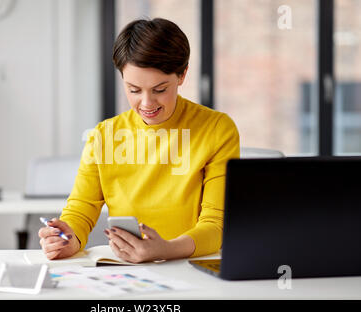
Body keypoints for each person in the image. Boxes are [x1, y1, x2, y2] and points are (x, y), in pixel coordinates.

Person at [38, 18, 240, 263]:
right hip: (128, 269)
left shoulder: (217, 129)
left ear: (182, 75)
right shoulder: (104, 135)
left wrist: (166, 249)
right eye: (134, 90)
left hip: (194, 265)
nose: (146, 104)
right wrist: (69, 239)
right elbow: (82, 207)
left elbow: (217, 223)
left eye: (159, 90)